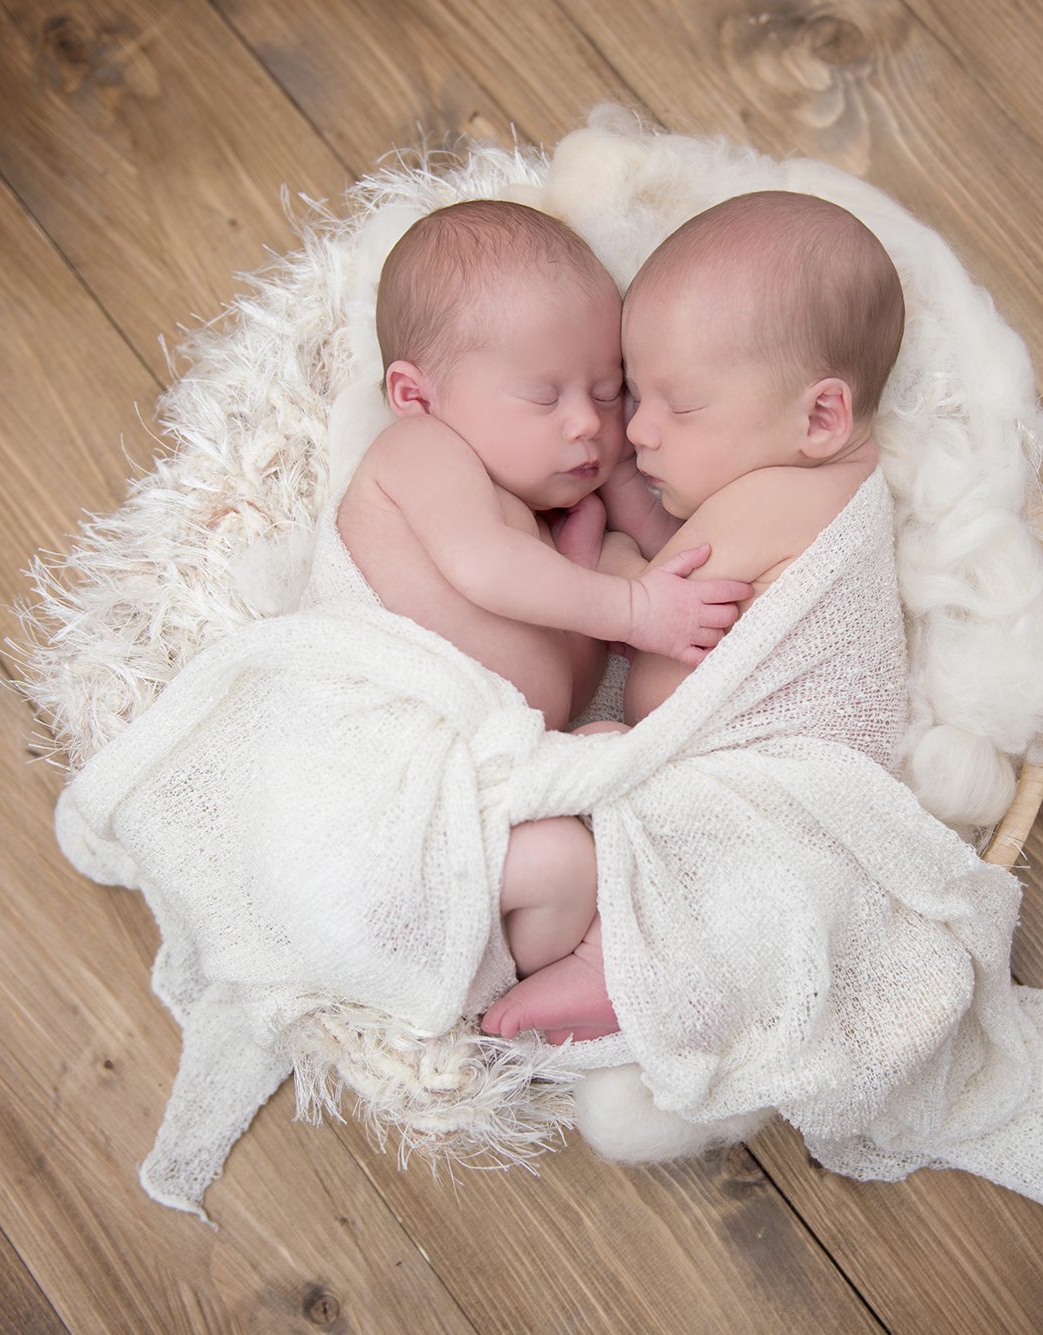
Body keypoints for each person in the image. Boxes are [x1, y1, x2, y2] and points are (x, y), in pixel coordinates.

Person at [484, 190, 908, 1044]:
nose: (639, 429)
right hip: (782, 813)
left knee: (587, 758)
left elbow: (657, 618)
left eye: (680, 405)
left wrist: (598, 561)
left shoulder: (773, 502)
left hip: (774, 795)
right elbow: (684, 564)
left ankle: (618, 962)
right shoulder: (811, 490)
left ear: (820, 416)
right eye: (635, 396)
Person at [335, 198, 754, 743]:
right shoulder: (420, 449)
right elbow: (485, 567)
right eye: (543, 397)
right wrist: (634, 610)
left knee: (608, 738)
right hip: (384, 721)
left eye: (607, 393)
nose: (588, 422)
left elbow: (561, 687)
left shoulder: (549, 548)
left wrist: (594, 534)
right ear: (416, 396)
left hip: (498, 750)